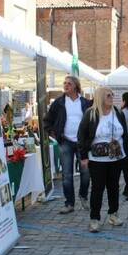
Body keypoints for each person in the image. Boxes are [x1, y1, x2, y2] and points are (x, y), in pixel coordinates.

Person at [77, 87, 128, 233]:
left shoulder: (118, 113)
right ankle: (95, 219)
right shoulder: (91, 114)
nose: (111, 97)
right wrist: (84, 156)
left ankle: (113, 214)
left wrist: (126, 154)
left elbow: (124, 133)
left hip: (116, 157)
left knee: (114, 187)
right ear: (100, 97)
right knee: (97, 189)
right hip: (97, 159)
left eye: (112, 95)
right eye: (108, 95)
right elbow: (81, 136)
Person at [43, 75, 92, 214]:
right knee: (67, 175)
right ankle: (69, 203)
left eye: (69, 83)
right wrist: (55, 135)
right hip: (65, 142)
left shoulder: (85, 103)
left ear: (76, 86)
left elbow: (92, 120)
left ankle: (83, 196)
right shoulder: (58, 103)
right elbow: (47, 121)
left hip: (82, 143)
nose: (66, 85)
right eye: (64, 83)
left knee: (86, 173)